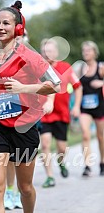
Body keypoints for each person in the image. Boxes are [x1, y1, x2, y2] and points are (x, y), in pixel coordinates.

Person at [0, 0, 61, 213]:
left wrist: (24, 89)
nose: (0, 27)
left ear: (17, 28)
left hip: (24, 126)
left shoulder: (30, 56)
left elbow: (56, 84)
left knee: (25, 187)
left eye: (6, 23)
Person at [39, 38, 82, 187]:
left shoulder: (65, 67)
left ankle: (61, 162)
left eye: (50, 51)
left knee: (61, 148)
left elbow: (78, 87)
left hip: (62, 113)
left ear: (56, 52)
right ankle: (50, 177)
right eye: (44, 51)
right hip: (44, 113)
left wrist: (76, 106)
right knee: (45, 144)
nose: (47, 54)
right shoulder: (38, 69)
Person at [4, 29, 29, 210]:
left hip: (27, 116)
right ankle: (9, 192)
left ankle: (22, 192)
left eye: (21, 37)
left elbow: (50, 84)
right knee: (8, 159)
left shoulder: (31, 59)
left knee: (21, 160)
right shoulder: (0, 57)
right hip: (5, 115)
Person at [79, 41, 104, 176]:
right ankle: (87, 166)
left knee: (101, 137)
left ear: (95, 52)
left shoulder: (100, 67)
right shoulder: (80, 68)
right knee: (85, 134)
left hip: (99, 106)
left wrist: (101, 82)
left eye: (88, 50)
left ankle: (102, 162)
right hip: (85, 107)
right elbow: (74, 85)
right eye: (84, 50)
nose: (86, 53)